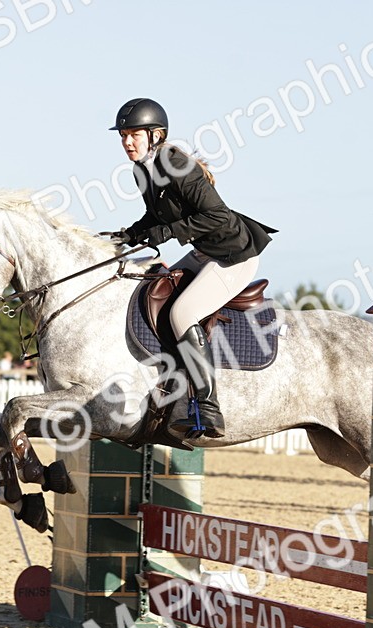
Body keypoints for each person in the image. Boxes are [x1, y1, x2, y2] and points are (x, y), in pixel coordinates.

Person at [110, 98, 276, 438]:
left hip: (233, 253)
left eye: (134, 135)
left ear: (156, 135)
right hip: (205, 251)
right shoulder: (142, 169)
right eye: (123, 135)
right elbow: (156, 217)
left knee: (182, 313)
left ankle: (209, 406)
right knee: (153, 288)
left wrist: (167, 232)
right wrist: (129, 234)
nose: (127, 142)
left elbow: (216, 215)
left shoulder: (175, 163)